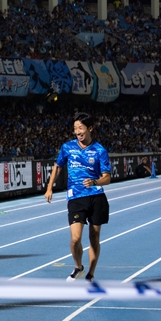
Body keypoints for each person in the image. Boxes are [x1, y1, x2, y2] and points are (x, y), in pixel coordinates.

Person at [45, 112, 111, 282]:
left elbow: (107, 178)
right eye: (75, 128)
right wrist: (49, 187)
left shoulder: (100, 150)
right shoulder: (67, 147)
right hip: (75, 197)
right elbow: (58, 166)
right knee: (75, 239)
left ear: (90, 128)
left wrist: (95, 182)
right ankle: (78, 267)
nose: (77, 131)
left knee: (94, 237)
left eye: (80, 128)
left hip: (96, 197)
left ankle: (91, 274)